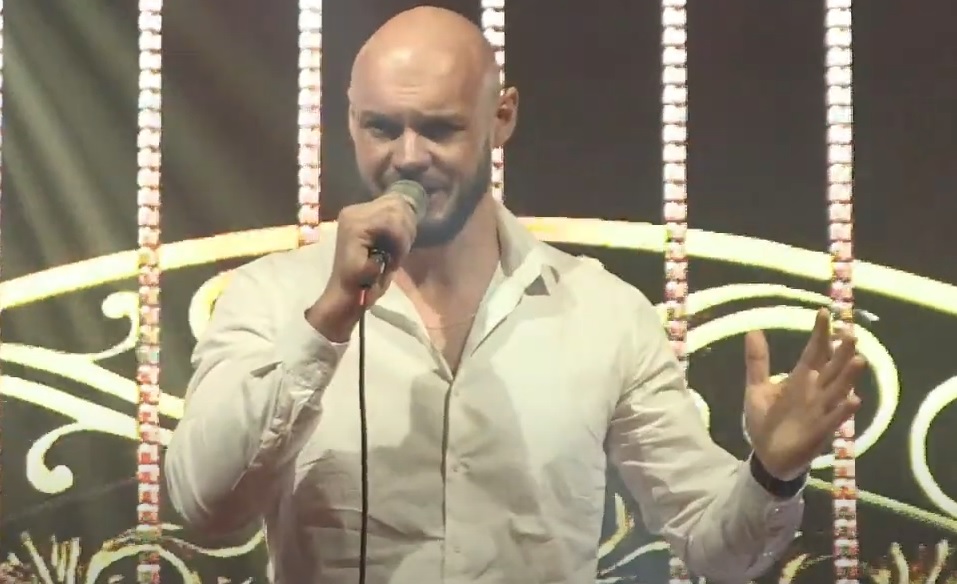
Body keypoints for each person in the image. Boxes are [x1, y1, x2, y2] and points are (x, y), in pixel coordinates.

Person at [164, 6, 864, 584]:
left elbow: (717, 549)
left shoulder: (600, 313)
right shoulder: (274, 298)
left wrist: (773, 472)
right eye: (381, 127)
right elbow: (204, 506)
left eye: (439, 128)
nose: (407, 157)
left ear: (501, 117)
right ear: (350, 122)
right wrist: (327, 322)